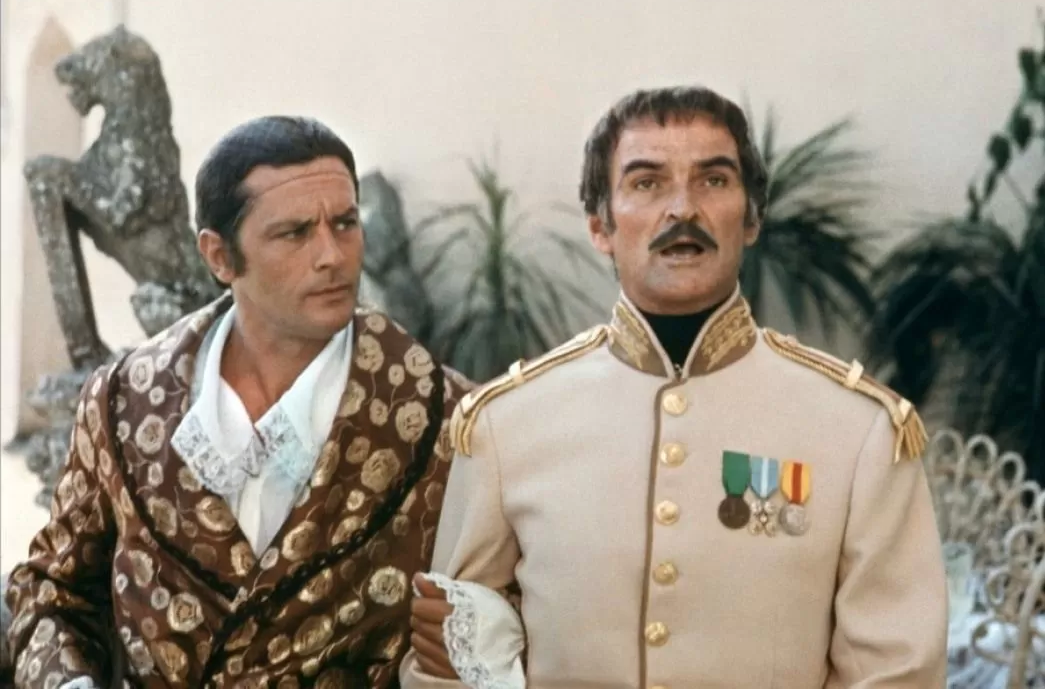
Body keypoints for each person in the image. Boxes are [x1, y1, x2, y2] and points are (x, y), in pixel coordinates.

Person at [400, 86, 948, 688]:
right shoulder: (508, 425)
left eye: (713, 180)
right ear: (600, 226)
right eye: (647, 182)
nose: (683, 209)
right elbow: (446, 666)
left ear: (752, 218)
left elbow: (897, 675)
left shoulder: (859, 431)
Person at [5, 116, 472, 688]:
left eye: (345, 223)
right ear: (220, 257)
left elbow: (507, 613)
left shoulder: (448, 419)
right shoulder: (123, 402)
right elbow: (52, 591)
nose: (332, 255)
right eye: (295, 233)